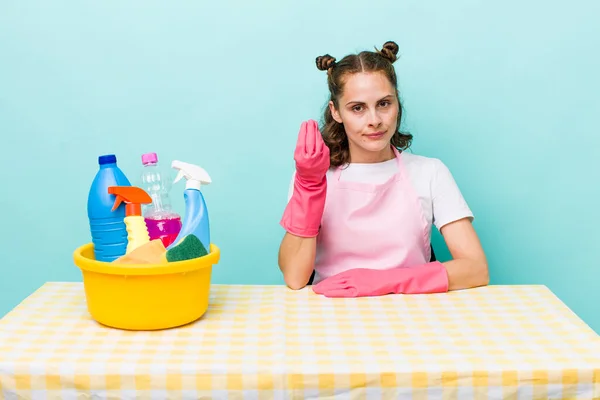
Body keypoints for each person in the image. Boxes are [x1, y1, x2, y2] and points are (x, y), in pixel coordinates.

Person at [278, 40, 489, 297]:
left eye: (384, 104)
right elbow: (295, 277)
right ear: (336, 112)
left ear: (397, 103)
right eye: (357, 108)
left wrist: (386, 281)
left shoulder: (430, 172)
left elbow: (476, 268)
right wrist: (308, 188)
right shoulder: (314, 178)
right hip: (332, 316)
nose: (375, 120)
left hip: (415, 313)